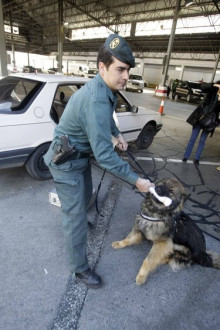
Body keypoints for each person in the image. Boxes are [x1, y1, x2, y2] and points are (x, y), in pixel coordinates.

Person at [44, 34, 154, 289]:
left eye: (128, 69)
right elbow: (104, 156)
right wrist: (137, 181)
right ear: (102, 67)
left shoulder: (107, 90)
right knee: (74, 218)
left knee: (84, 200)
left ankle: (79, 219)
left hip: (78, 157)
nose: (126, 75)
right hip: (66, 162)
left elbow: (106, 120)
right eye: (121, 69)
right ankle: (79, 269)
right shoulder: (95, 99)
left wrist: (116, 135)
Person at [182, 81, 220, 165]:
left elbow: (215, 108)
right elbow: (202, 86)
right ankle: (186, 156)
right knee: (193, 138)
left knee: (202, 141)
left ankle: (197, 158)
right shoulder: (211, 89)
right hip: (200, 118)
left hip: (209, 122)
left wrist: (219, 98)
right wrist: (214, 85)